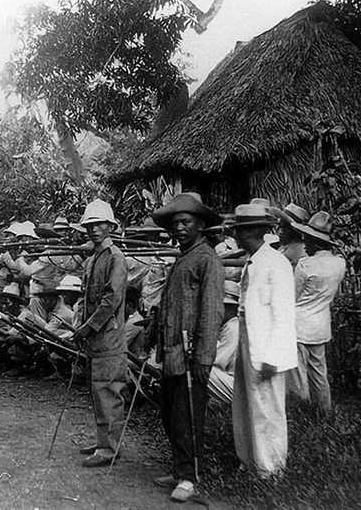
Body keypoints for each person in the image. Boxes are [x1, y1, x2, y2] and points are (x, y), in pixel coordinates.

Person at [150, 193, 224, 502]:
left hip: (193, 352)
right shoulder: (183, 257)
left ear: (201, 225)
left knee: (188, 415)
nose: (179, 228)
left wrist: (204, 356)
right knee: (170, 413)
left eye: (186, 222)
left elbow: (211, 311)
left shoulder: (207, 258)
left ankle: (189, 478)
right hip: (172, 350)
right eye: (175, 223)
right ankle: (179, 467)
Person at [230, 203, 297, 478]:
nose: (238, 236)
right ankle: (249, 460)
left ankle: (271, 468)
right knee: (246, 402)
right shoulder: (252, 261)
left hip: (267, 347)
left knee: (268, 407)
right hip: (248, 337)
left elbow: (284, 315)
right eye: (237, 231)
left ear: (258, 231)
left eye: (243, 231)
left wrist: (273, 355)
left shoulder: (276, 263)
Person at [74, 199, 128, 468]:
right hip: (94, 337)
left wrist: (88, 327)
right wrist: (80, 325)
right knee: (97, 391)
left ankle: (110, 448)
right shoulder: (92, 259)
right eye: (90, 225)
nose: (94, 229)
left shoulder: (116, 258)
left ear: (110, 227)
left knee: (109, 391)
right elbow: (86, 300)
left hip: (108, 336)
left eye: (100, 224)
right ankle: (102, 442)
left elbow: (111, 300)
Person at [288, 211, 346, 413]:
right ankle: (324, 410)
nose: (305, 244)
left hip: (299, 324)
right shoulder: (340, 263)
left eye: (308, 240)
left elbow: (292, 296)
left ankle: (300, 410)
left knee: (298, 372)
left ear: (315, 242)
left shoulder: (305, 265)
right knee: (319, 371)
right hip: (321, 324)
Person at [208, 281, 241, 404]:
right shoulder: (227, 326)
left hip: (238, 389)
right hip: (230, 381)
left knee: (201, 369)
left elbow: (218, 363)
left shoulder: (233, 329)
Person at [274, 203, 310, 268]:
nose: (280, 232)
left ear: (296, 230)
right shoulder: (283, 247)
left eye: (285, 228)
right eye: (279, 226)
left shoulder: (302, 252)